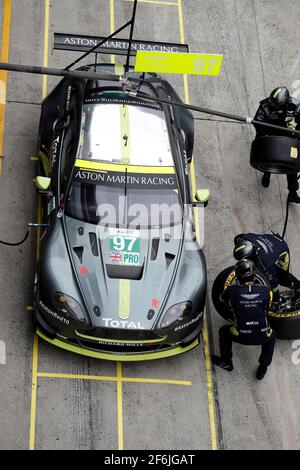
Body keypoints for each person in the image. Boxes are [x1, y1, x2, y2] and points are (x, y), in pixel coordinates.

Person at [211, 259, 275, 380]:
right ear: (254, 274)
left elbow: (221, 300)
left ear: (238, 276)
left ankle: (227, 362)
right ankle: (263, 367)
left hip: (243, 335)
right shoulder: (267, 290)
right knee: (272, 336)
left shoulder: (231, 290)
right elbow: (267, 309)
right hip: (262, 335)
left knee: (223, 332)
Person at [253, 86, 300, 203]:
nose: (272, 105)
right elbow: (257, 123)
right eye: (272, 103)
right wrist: (264, 136)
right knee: (268, 155)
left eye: (275, 105)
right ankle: (267, 172)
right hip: (268, 132)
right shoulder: (265, 105)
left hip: (287, 134)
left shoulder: (295, 105)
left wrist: (297, 135)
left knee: (293, 163)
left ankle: (292, 193)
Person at [233, 232, 300, 303]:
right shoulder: (242, 238)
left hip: (281, 247)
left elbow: (274, 284)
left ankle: (298, 286)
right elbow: (237, 238)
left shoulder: (265, 262)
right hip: (269, 239)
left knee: (282, 278)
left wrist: (276, 299)